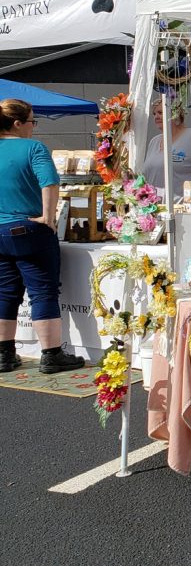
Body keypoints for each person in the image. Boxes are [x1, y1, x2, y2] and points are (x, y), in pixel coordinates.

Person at [0, 99, 85, 374]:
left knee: (5, 293)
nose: (33, 127)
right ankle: (51, 353)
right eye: (32, 121)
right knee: (43, 291)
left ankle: (4, 354)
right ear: (17, 123)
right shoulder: (33, 148)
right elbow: (49, 181)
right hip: (27, 227)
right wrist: (48, 218)